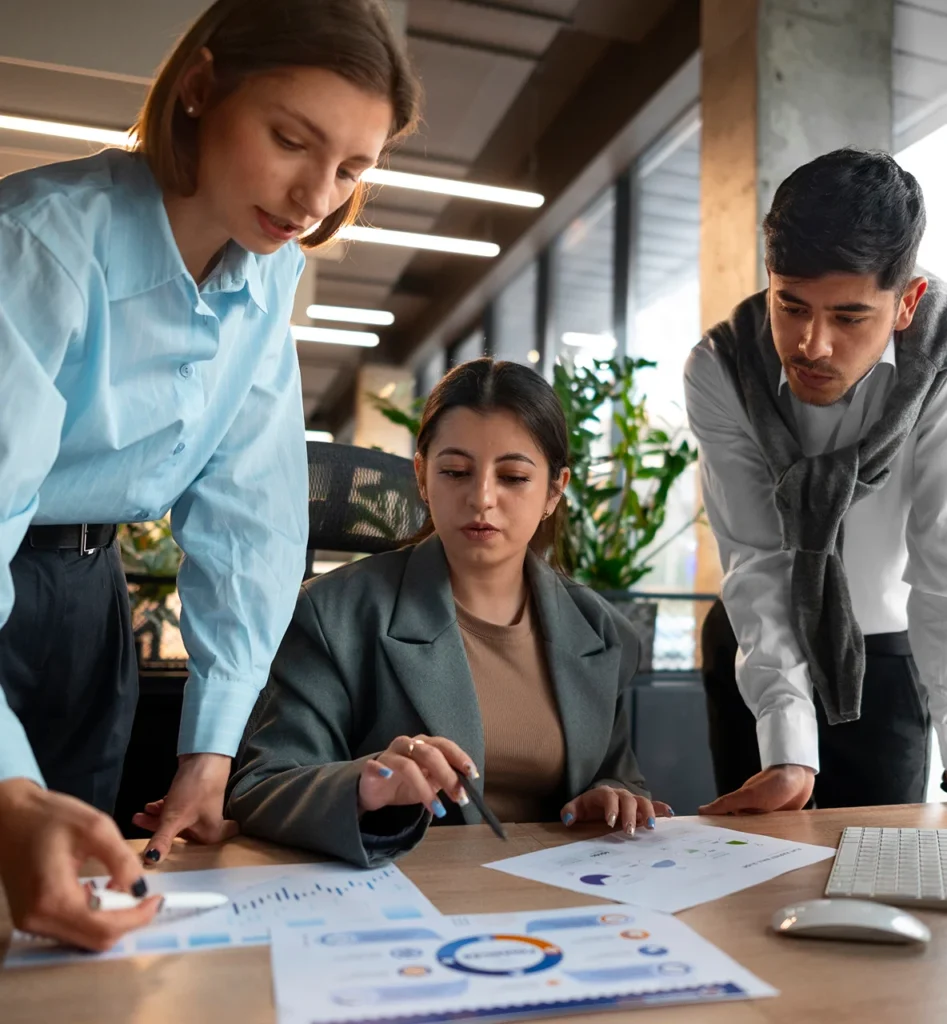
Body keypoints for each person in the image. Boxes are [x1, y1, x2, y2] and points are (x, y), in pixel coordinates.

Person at [0, 0, 418, 951]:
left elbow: (251, 513)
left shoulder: (267, 269)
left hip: (84, 596)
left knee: (66, 930)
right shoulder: (37, 244)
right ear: (199, 90)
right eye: (289, 140)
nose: (317, 198)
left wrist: (210, 748)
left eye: (352, 169)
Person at [228, 359, 672, 867]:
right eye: (456, 472)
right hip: (406, 901)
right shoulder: (334, 614)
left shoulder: (598, 628)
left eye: (513, 477)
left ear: (554, 490)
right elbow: (262, 787)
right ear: (421, 475)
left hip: (566, 900)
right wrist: (364, 784)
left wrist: (612, 795)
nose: (482, 498)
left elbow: (618, 773)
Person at [685, 148, 947, 814]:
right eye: (790, 306)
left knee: (878, 872)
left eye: (849, 317)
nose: (811, 345)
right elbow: (756, 557)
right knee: (751, 872)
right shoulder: (719, 366)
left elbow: (941, 574)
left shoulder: (941, 364)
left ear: (906, 303)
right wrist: (788, 745)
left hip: (888, 657)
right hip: (754, 640)